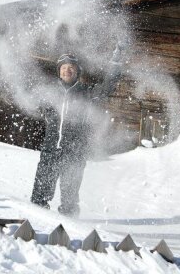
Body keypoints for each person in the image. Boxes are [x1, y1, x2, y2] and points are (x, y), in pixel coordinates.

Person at [30, 48, 124, 216]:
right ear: (59, 72)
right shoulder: (50, 93)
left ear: (77, 72)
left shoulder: (86, 92)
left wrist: (115, 62)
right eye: (63, 67)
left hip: (75, 151)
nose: (67, 70)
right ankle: (35, 226)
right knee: (39, 195)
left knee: (70, 199)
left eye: (71, 67)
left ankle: (70, 229)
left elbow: (107, 88)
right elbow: (30, 98)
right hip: (51, 149)